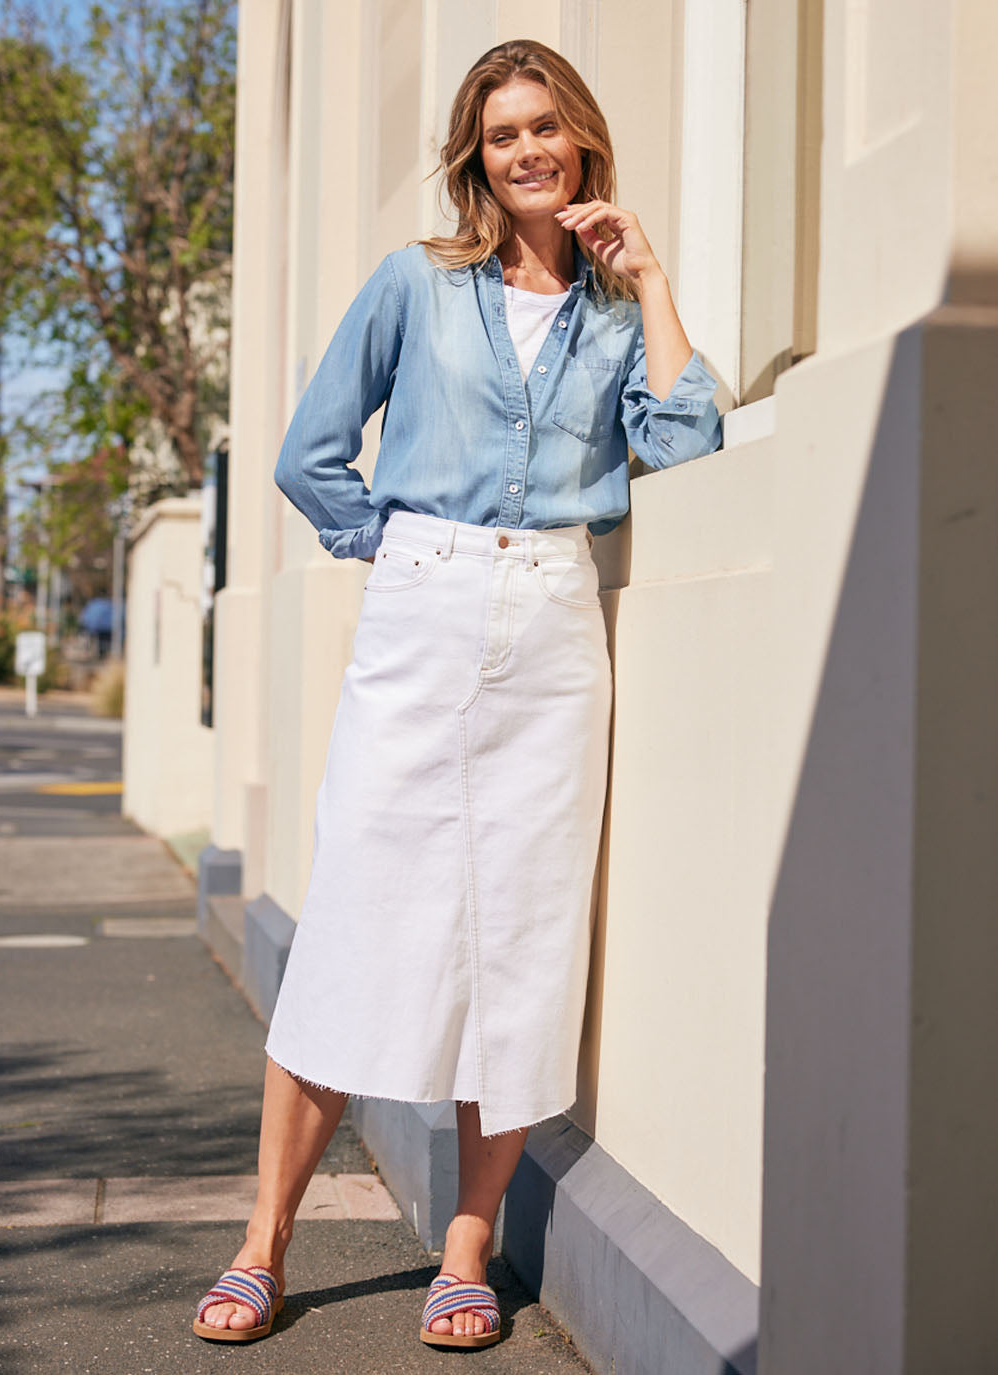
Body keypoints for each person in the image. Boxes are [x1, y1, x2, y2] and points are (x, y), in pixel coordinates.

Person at [193, 37, 721, 1352]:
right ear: (475, 159)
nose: (528, 150)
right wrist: (400, 550)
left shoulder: (610, 314)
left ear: (584, 140)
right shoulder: (415, 287)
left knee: (521, 950)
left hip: (553, 632)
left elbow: (685, 440)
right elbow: (312, 452)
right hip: (425, 617)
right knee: (359, 926)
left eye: (547, 126)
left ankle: (469, 1252)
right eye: (502, 135)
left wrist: (650, 281)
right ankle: (264, 1242)